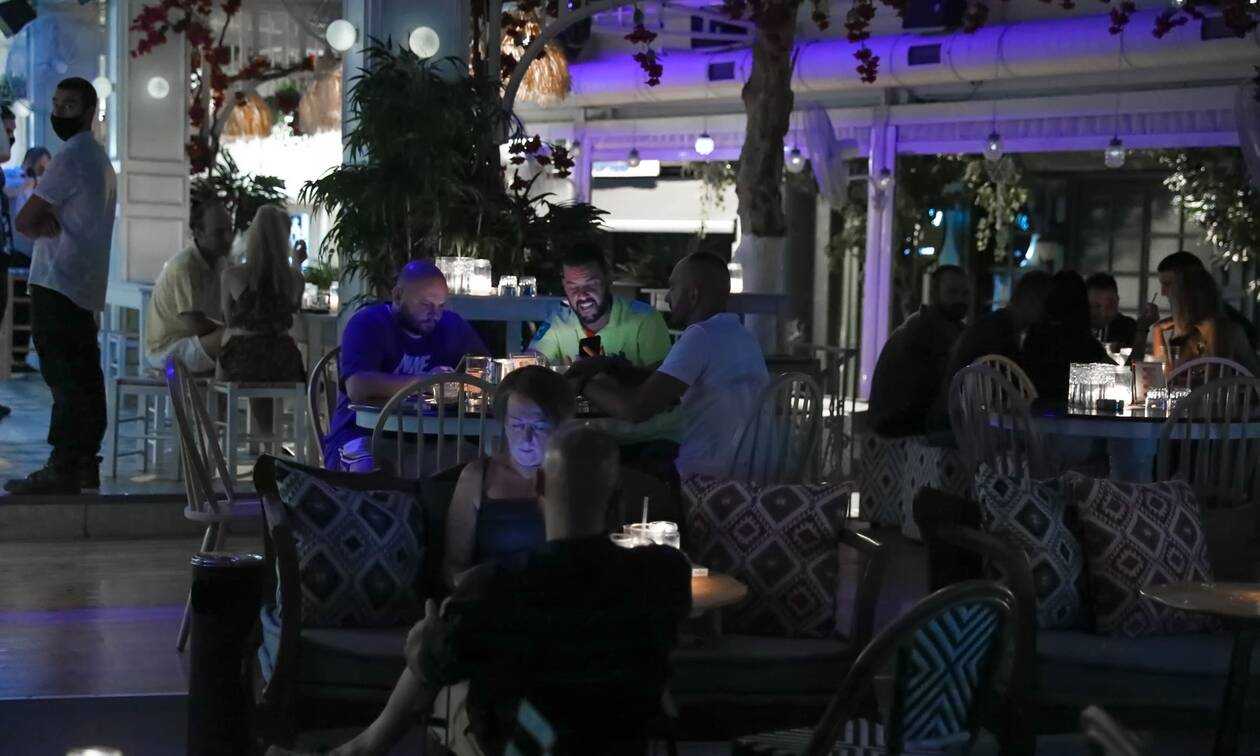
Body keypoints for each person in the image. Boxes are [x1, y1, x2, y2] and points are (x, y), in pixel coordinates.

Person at [268, 425, 692, 756]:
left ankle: (362, 748)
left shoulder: (495, 585)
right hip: (619, 742)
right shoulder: (666, 574)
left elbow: (433, 665)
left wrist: (421, 642)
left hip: (520, 745)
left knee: (444, 688)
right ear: (617, 499)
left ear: (539, 486)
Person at [6, 78, 117, 495]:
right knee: (84, 375)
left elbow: (25, 220)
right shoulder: (99, 159)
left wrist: (40, 223)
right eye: (55, 103)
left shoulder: (69, 158)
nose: (58, 112)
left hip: (57, 280)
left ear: (88, 112)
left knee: (63, 376)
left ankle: (64, 465)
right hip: (83, 281)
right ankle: (85, 463)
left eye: (68, 105)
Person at [578, 252, 769, 480]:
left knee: (599, 469)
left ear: (693, 295)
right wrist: (614, 367)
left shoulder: (700, 336)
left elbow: (635, 410)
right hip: (753, 471)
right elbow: (663, 381)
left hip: (708, 476)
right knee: (654, 450)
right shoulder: (740, 335)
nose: (668, 297)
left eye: (673, 287)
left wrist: (580, 383)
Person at [322, 260, 490, 471]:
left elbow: (485, 370)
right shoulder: (368, 324)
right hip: (361, 433)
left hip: (429, 439)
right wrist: (426, 382)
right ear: (398, 296)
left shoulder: (452, 326)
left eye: (441, 306)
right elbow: (357, 387)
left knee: (477, 464)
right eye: (425, 304)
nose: (435, 314)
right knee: (368, 467)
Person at [443, 365, 574, 588]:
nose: (526, 437)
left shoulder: (577, 476)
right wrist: (469, 584)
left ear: (559, 425)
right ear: (504, 423)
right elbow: (453, 565)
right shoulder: (477, 477)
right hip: (492, 596)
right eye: (517, 425)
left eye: (539, 426)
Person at [931, 269, 1052, 426]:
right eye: (1047, 306)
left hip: (957, 419)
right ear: (1030, 300)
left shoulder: (994, 325)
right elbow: (1016, 392)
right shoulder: (1001, 333)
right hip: (964, 426)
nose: (1046, 314)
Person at [527, 244, 672, 368]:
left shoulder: (645, 319)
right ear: (564, 285)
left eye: (591, 284)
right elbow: (529, 363)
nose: (582, 295)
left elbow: (664, 380)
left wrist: (618, 371)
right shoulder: (559, 321)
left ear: (608, 279)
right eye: (573, 287)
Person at [868, 265, 971, 437]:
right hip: (900, 429)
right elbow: (941, 391)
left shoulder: (938, 325)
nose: (960, 299)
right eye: (952, 292)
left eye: (965, 293)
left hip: (902, 423)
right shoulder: (926, 330)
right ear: (934, 294)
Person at [218, 204, 305, 382]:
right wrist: (297, 264)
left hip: (243, 360)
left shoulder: (231, 275)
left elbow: (229, 321)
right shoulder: (296, 278)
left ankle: (220, 400)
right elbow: (294, 308)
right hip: (284, 359)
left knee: (224, 353)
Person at [144, 198, 232, 375]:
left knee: (243, 338)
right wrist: (232, 330)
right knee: (236, 338)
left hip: (193, 341)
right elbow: (195, 324)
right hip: (167, 349)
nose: (228, 239)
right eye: (219, 233)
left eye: (230, 230)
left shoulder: (220, 263)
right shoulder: (185, 266)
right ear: (198, 233)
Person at [1019, 271, 1113, 402]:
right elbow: (1114, 376)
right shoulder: (1083, 342)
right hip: (1073, 410)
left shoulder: (1034, 335)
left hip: (1030, 409)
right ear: (1082, 303)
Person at [1150, 264, 1260, 375]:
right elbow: (1165, 375)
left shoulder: (1221, 328)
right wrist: (1157, 330)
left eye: (1174, 300)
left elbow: (1216, 378)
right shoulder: (1191, 333)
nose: (1164, 294)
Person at [6, 146, 51, 256]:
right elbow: (6, 190)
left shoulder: (40, 184)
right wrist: (25, 185)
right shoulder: (13, 175)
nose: (43, 172)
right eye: (41, 167)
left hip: (35, 249)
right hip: (18, 248)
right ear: (29, 162)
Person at [1085, 272, 1137, 350]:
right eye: (1096, 306)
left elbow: (1137, 355)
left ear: (1117, 301)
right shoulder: (1074, 326)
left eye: (1110, 306)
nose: (1103, 313)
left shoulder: (1128, 326)